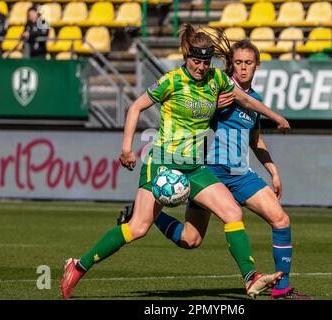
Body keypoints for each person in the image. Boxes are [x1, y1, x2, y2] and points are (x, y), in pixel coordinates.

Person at [60, 23, 291, 300]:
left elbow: (246, 100)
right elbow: (135, 107)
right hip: (162, 163)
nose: (201, 67)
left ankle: (250, 278)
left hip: (194, 167)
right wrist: (126, 149)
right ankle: (79, 265)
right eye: (196, 61)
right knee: (138, 228)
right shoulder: (170, 81)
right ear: (186, 58)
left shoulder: (217, 79)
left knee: (232, 213)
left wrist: (276, 117)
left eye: (206, 62)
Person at [118, 39, 312, 300]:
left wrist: (273, 171)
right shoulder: (214, 87)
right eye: (239, 63)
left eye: (249, 63)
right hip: (209, 172)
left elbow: (255, 140)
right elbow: (190, 114)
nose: (243, 68)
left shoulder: (253, 101)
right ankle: (145, 217)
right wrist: (212, 107)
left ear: (257, 66)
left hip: (240, 175)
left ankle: (282, 288)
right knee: (190, 240)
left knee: (281, 220)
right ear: (232, 65)